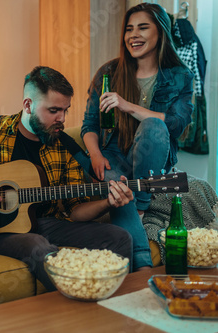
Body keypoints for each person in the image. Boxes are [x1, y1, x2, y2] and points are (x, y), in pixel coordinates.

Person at [0, 65, 134, 291]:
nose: (62, 119)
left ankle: (114, 309)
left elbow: (75, 211)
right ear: (28, 105)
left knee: (119, 237)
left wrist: (108, 202)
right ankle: (77, 312)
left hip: (47, 224)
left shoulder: (63, 147)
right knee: (37, 247)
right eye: (54, 110)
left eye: (65, 110)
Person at [81, 3, 194, 270]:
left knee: (155, 126)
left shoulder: (180, 76)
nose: (134, 35)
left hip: (154, 162)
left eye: (143, 27)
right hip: (113, 159)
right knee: (117, 187)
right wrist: (95, 155)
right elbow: (89, 125)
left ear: (160, 32)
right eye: (129, 29)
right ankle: (142, 268)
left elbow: (176, 124)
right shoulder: (108, 72)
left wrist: (127, 105)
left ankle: (140, 207)